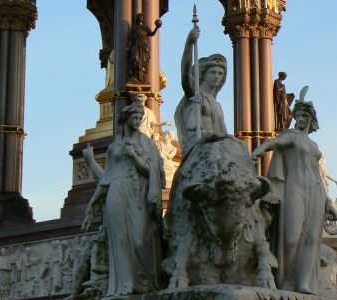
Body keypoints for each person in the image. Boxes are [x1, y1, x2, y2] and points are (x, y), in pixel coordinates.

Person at [252, 98, 337, 294]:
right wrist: (261, 148)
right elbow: (277, 142)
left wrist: (328, 203)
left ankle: (304, 283)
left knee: (311, 238)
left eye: (304, 116)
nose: (300, 119)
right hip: (294, 188)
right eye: (297, 116)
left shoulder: (314, 145)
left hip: (316, 191)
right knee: (291, 238)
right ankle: (286, 280)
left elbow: (318, 173)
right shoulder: (291, 135)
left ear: (311, 119)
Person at [82, 101, 164, 296]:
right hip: (116, 192)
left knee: (139, 241)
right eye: (134, 118)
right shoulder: (114, 147)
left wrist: (134, 156)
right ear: (125, 120)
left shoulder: (147, 143)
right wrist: (91, 206)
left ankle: (145, 283)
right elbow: (106, 179)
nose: (137, 122)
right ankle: (125, 286)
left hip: (138, 193)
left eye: (140, 118)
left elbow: (151, 171)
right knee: (120, 239)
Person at [174, 27, 228, 155]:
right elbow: (185, 73)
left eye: (220, 74)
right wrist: (189, 44)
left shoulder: (217, 105)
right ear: (203, 74)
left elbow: (224, 134)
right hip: (200, 148)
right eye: (213, 72)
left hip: (217, 149)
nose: (217, 76)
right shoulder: (195, 93)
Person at [128, 13, 162, 83]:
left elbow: (152, 34)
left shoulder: (146, 27)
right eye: (140, 16)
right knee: (135, 60)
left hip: (144, 47)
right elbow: (130, 38)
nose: (141, 17)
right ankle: (135, 76)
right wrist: (129, 46)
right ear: (137, 18)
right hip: (136, 46)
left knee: (143, 63)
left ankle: (141, 78)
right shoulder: (134, 28)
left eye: (142, 17)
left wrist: (157, 27)